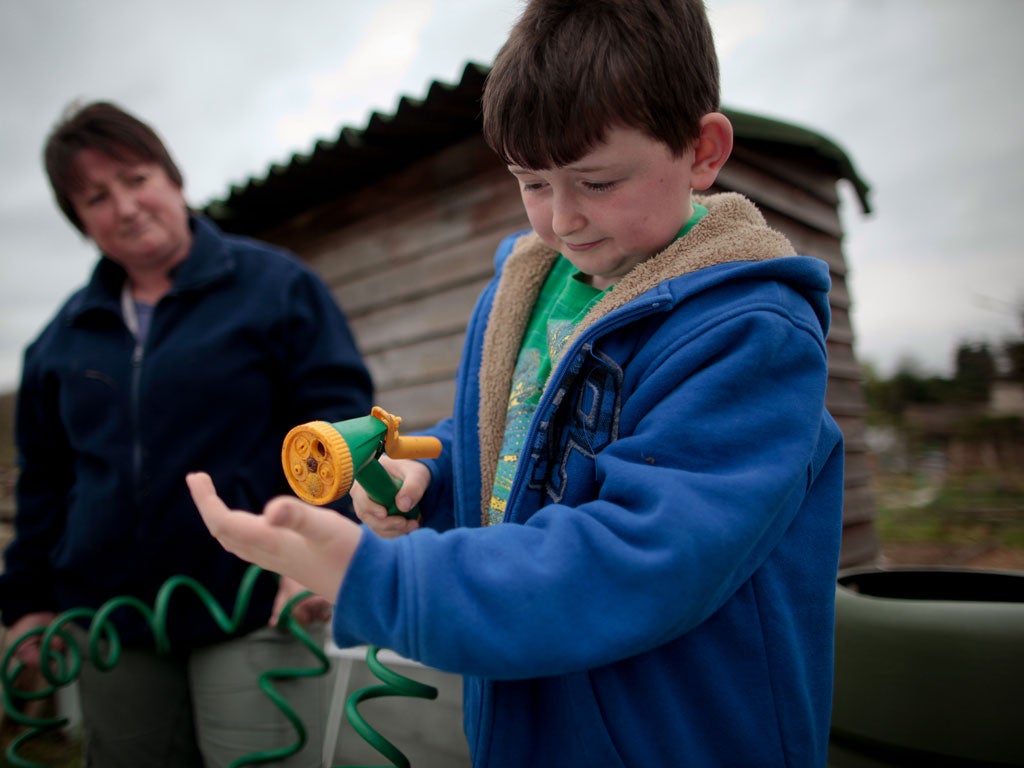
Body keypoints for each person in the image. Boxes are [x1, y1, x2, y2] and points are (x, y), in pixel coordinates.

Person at [188, 0, 845, 765]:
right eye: (532, 183)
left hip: (676, 735)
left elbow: (643, 554)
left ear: (702, 152)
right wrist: (428, 481)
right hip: (528, 724)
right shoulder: (527, 294)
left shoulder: (748, 334)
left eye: (595, 181)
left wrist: (387, 581)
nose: (562, 219)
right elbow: (515, 459)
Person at [0, 101, 374, 767]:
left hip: (255, 597)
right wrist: (25, 605)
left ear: (173, 180)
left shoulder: (277, 288)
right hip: (111, 620)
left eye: (137, 178)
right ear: (80, 222)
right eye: (95, 197)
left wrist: (320, 552)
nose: (125, 206)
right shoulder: (58, 343)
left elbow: (337, 426)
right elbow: (46, 482)